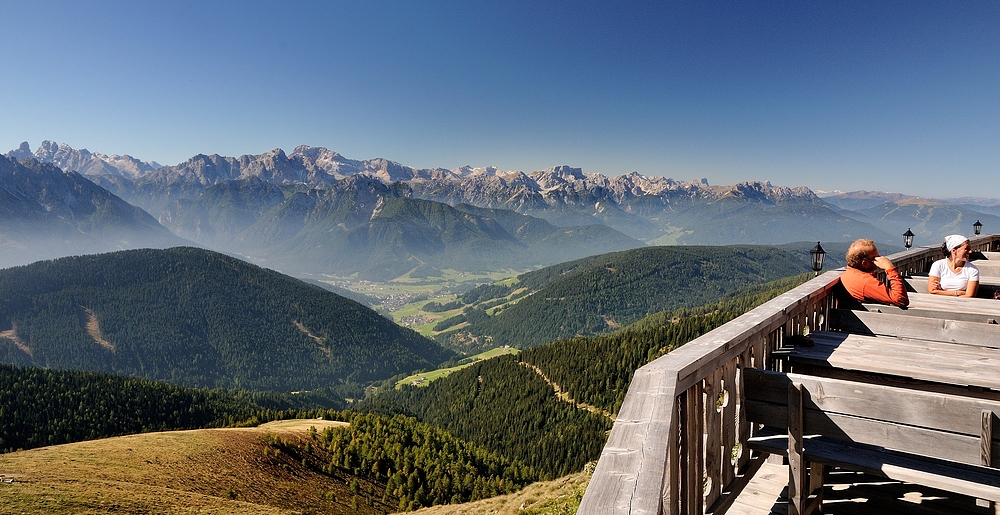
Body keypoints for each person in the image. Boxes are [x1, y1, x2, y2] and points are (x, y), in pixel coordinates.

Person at [839, 238, 909, 307]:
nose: (879, 259)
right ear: (865, 263)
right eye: (875, 258)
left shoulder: (848, 275)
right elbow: (901, 299)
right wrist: (890, 269)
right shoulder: (866, 282)